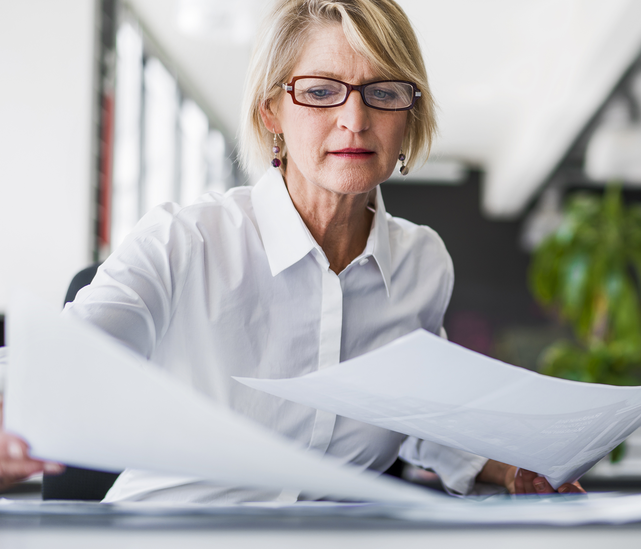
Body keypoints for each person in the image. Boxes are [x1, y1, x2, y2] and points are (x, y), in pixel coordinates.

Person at [0, 0, 583, 501]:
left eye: (383, 92)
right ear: (271, 111)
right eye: (322, 91)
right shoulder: (185, 242)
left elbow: (415, 411)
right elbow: (55, 365)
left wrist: (506, 466)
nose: (355, 120)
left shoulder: (421, 264)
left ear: (410, 114)